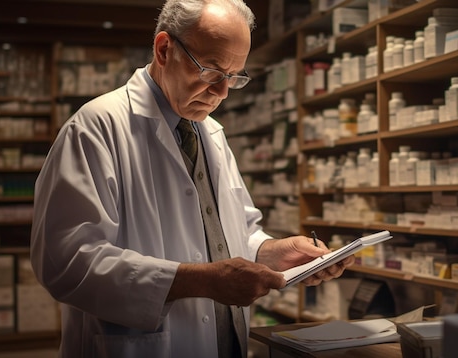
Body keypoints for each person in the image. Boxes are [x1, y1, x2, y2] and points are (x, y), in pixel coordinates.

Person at [30, 0, 355, 357]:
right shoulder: (96, 128)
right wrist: (200, 280)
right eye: (212, 72)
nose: (222, 93)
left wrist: (271, 252)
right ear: (165, 49)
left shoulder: (211, 133)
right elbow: (66, 263)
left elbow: (232, 236)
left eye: (234, 77)